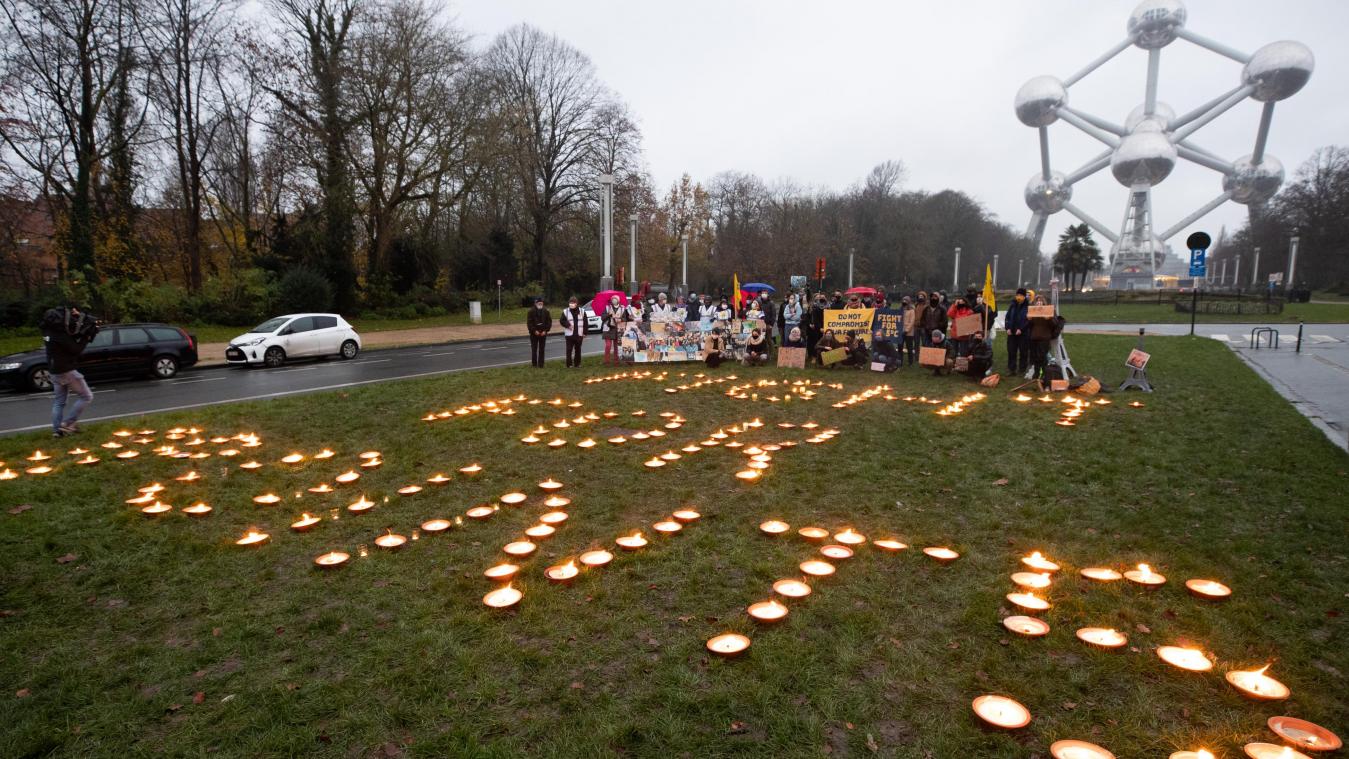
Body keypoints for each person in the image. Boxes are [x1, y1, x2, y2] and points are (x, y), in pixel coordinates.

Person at [42, 305, 98, 437]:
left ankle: (57, 431)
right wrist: (86, 337)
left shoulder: (47, 331)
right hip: (66, 370)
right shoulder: (59, 335)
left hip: (54, 370)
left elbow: (68, 341)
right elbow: (76, 349)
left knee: (59, 402)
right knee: (86, 396)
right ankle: (67, 424)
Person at [1027, 295, 1064, 381]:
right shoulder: (1032, 310)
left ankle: (1044, 374)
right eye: (1037, 301)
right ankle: (1036, 374)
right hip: (1034, 337)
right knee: (1035, 357)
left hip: (1044, 337)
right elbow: (1029, 326)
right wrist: (1029, 320)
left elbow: (1055, 324)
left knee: (1042, 357)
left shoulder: (1049, 310)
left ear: (1044, 302)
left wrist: (1049, 319)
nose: (1039, 302)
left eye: (1041, 301)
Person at [1003, 287, 1031, 376]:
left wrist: (1021, 329)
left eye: (1021, 295)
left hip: (1023, 334)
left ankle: (1022, 369)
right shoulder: (1012, 305)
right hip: (1012, 333)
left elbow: (1029, 321)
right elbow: (1007, 318)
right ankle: (1012, 369)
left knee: (1023, 352)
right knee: (1011, 351)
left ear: (1024, 297)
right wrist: (1007, 328)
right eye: (1017, 295)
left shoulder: (1028, 307)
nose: (1019, 297)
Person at [946, 288, 978, 357]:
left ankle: (962, 366)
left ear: (965, 302)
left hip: (964, 336)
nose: (960, 303)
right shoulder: (955, 310)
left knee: (963, 352)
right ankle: (954, 365)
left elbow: (972, 324)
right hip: (954, 335)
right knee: (954, 352)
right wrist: (954, 305)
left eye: (962, 301)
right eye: (959, 302)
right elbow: (949, 314)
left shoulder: (969, 311)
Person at [559, 296, 587, 368]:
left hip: (579, 334)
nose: (571, 304)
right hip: (569, 334)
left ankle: (577, 364)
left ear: (576, 303)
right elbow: (562, 321)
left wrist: (585, 332)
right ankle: (569, 364)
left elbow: (585, 323)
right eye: (570, 303)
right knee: (569, 350)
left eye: (573, 303)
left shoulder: (582, 311)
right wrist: (568, 325)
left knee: (578, 350)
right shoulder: (566, 311)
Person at [526, 297, 551, 367]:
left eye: (541, 304)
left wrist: (545, 330)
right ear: (535, 303)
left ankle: (541, 364)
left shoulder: (546, 311)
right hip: (534, 334)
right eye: (539, 303)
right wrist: (534, 330)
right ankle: (534, 364)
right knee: (534, 349)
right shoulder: (531, 311)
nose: (540, 305)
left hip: (543, 333)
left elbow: (549, 322)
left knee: (542, 349)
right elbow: (529, 323)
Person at [602, 295, 623, 365]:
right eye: (613, 299)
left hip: (618, 328)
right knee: (608, 345)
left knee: (616, 346)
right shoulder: (607, 308)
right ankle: (606, 361)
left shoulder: (622, 308)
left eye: (615, 299)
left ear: (618, 300)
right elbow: (603, 318)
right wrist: (609, 315)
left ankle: (616, 361)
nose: (614, 300)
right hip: (608, 328)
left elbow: (625, 318)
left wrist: (620, 320)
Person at [900, 296, 918, 366]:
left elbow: (912, 321)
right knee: (900, 347)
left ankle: (910, 362)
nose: (904, 302)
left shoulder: (912, 310)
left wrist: (906, 330)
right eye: (903, 300)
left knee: (909, 348)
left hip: (909, 333)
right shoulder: (900, 309)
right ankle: (900, 361)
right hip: (901, 331)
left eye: (906, 300)